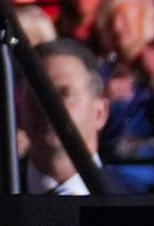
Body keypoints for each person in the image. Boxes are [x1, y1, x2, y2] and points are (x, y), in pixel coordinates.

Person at [19, 38, 114, 195]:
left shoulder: (139, 203)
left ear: (99, 113)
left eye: (65, 94)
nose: (47, 105)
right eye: (35, 93)